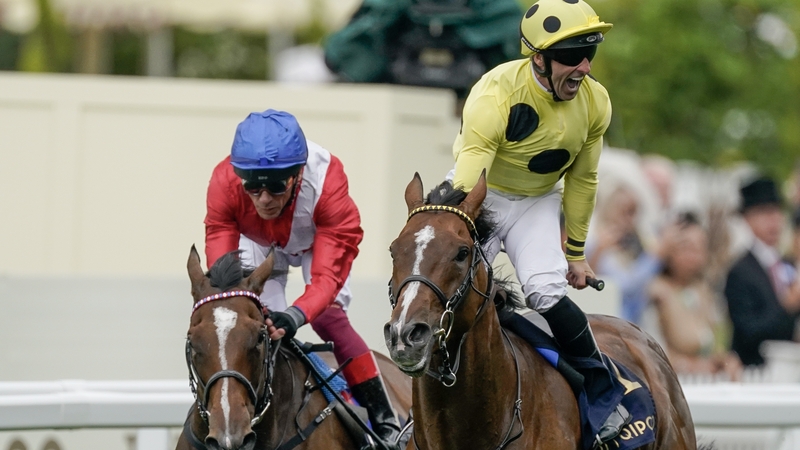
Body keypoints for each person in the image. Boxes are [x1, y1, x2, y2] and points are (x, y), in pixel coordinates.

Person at [449, 0, 629, 445]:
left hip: (535, 202)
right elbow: (471, 179)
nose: (584, 67)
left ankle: (602, 388)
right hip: (480, 197)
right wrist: (461, 236)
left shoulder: (596, 103)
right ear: (539, 59)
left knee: (546, 292)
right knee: (452, 292)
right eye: (571, 56)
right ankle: (426, 403)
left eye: (590, 54)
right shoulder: (495, 94)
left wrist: (576, 254)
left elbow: (584, 180)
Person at [204, 109, 401, 449]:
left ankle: (384, 419)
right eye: (253, 187)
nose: (264, 199)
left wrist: (296, 316)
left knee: (327, 318)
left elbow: (325, 278)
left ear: (297, 176)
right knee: (250, 325)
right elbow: (220, 243)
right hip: (258, 243)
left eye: (276, 186)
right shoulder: (224, 180)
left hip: (316, 243)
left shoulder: (327, 184)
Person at [648, 213, 742, 380]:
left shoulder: (704, 290)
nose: (694, 256)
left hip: (706, 382)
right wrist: (690, 366)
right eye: (687, 248)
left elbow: (716, 341)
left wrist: (725, 360)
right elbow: (650, 353)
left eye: (700, 248)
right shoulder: (656, 291)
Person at [724, 176, 800, 366]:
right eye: (765, 213)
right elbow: (747, 331)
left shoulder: (787, 265)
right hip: (754, 370)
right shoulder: (740, 271)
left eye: (777, 212)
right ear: (748, 219)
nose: (774, 221)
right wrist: (786, 307)